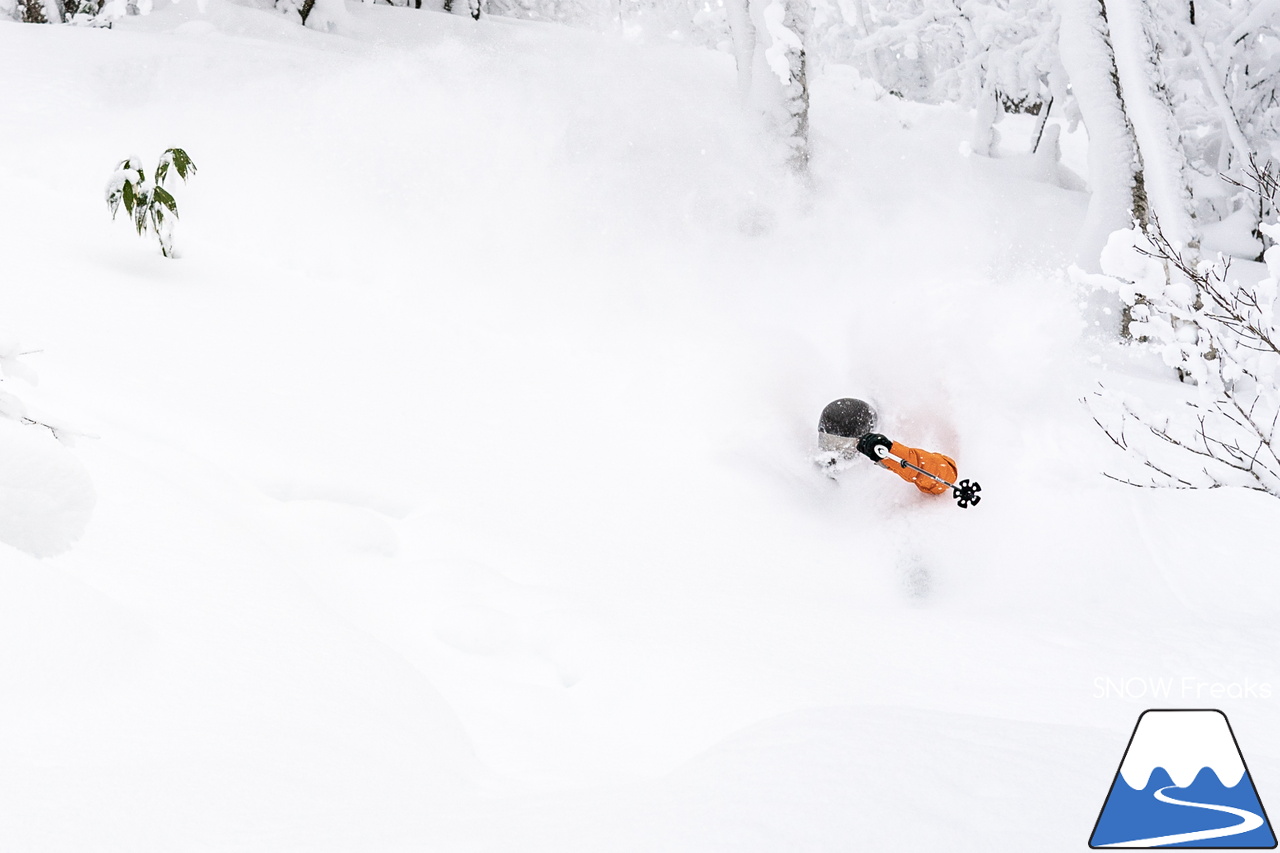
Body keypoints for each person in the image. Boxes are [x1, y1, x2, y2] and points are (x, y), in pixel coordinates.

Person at [818, 398, 958, 496]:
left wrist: (890, 452)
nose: (832, 451)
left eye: (841, 445)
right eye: (826, 442)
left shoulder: (881, 461)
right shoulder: (822, 466)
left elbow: (945, 475)